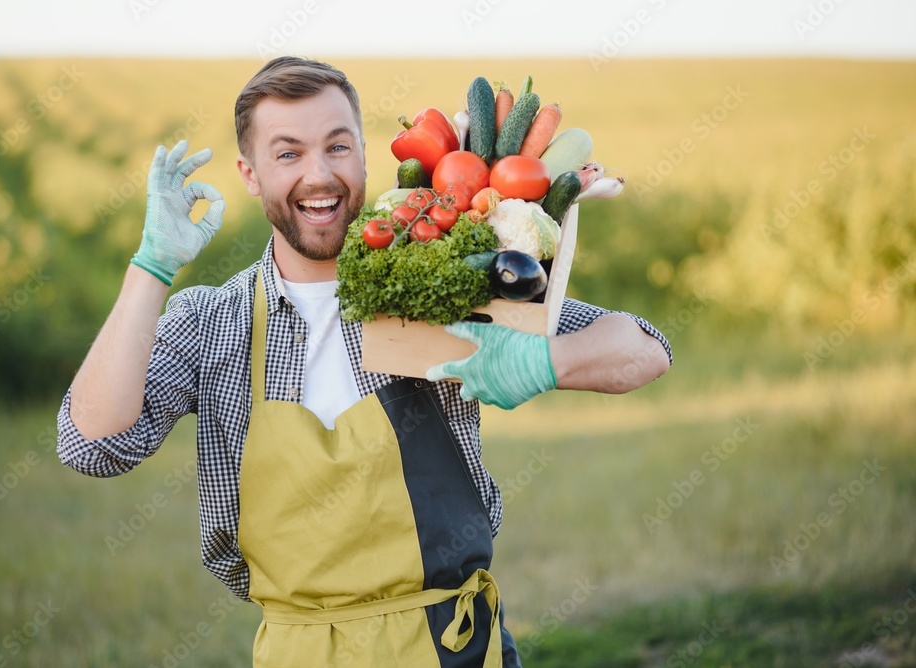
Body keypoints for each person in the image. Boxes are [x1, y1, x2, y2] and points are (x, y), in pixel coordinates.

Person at [56, 56, 671, 667]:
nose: (319, 176)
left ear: (365, 156)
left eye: (337, 146)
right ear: (250, 174)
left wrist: (543, 362)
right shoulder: (213, 323)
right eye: (288, 153)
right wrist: (152, 268)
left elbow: (644, 348)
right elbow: (93, 446)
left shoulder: (436, 275)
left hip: (449, 648)